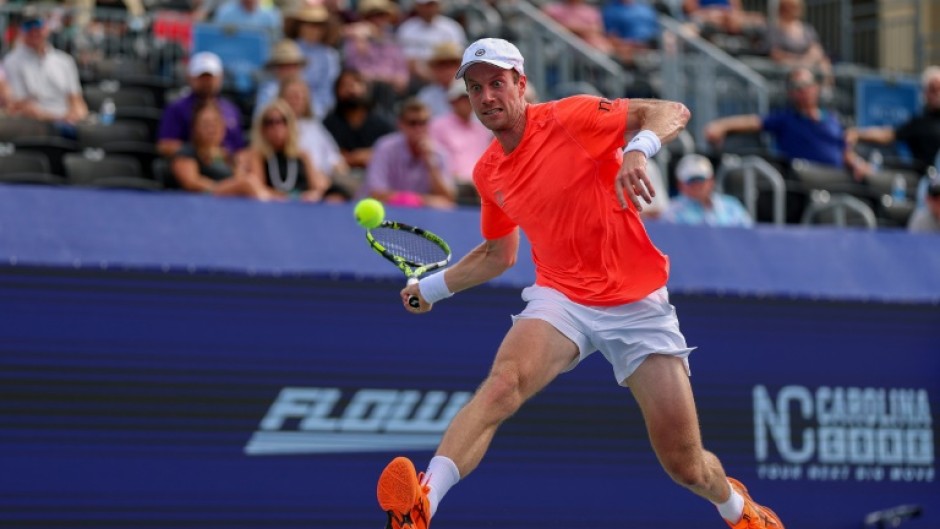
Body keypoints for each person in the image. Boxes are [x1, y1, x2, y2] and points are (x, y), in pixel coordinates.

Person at [375, 37, 784, 529]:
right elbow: (498, 255)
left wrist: (637, 149)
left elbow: (670, 110)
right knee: (503, 385)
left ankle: (739, 510)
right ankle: (423, 501)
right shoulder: (488, 173)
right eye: (476, 88)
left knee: (686, 465)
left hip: (636, 302)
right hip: (562, 297)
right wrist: (434, 288)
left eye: (498, 84)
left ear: (521, 85)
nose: (487, 97)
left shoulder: (572, 117)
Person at [703, 67, 867, 179]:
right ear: (790, 92)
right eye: (796, 87)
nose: (802, 91)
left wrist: (857, 163)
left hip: (840, 180)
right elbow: (752, 122)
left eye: (806, 85)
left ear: (816, 88)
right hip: (805, 181)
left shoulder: (832, 119)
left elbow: (845, 150)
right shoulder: (785, 119)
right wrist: (721, 125)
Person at [357, 97, 455, 209]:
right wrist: (418, 201)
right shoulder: (385, 148)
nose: (418, 128)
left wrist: (430, 163)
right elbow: (376, 193)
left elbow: (448, 200)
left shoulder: (438, 153)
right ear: (400, 124)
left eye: (423, 123)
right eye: (412, 123)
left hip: (421, 217)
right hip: (383, 213)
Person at [3, 14, 89, 138]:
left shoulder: (65, 61)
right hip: (38, 126)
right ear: (22, 32)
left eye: (38, 27)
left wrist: (78, 116)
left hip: (67, 122)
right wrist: (60, 118)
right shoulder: (12, 61)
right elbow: (21, 105)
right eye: (29, 28)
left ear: (46, 28)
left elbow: (76, 99)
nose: (34, 33)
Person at [170, 100, 272, 199]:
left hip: (232, 204)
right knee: (247, 183)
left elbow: (241, 178)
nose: (211, 129)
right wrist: (223, 188)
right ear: (195, 128)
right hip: (204, 201)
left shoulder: (228, 155)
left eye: (215, 123)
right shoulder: (187, 152)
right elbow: (191, 182)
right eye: (206, 124)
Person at [848, 66, 940, 172]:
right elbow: (889, 135)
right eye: (933, 89)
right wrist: (858, 134)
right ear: (925, 93)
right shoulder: (920, 123)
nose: (938, 94)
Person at [157, 51, 247, 158]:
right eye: (201, 77)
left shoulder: (232, 110)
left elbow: (239, 148)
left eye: (211, 77)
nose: (207, 82)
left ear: (220, 77)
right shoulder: (176, 108)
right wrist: (198, 152)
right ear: (190, 77)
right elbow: (164, 145)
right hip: (191, 163)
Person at [279, 76, 353, 201]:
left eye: (302, 96)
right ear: (281, 98)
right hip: (298, 181)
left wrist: (339, 169)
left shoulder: (314, 126)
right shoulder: (274, 124)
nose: (297, 100)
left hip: (326, 179)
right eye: (293, 95)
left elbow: (334, 157)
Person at [245, 99, 331, 201]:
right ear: (262, 128)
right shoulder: (258, 155)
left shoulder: (303, 155)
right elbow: (259, 190)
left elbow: (318, 188)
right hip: (270, 210)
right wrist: (292, 197)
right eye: (270, 122)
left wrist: (315, 194)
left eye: (282, 121)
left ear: (290, 125)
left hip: (303, 210)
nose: (276, 127)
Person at [323, 68, 396, 180]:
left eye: (357, 83)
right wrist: (355, 158)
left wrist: (371, 155)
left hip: (377, 176)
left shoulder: (382, 122)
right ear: (337, 90)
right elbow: (328, 156)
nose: (352, 89)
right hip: (342, 179)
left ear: (366, 88)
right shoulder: (329, 123)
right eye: (345, 85)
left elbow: (392, 152)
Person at [429, 80, 492, 192]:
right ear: (453, 101)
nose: (468, 102)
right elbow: (435, 160)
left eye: (471, 98)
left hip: (479, 186)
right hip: (452, 185)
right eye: (463, 99)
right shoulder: (438, 126)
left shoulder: (482, 129)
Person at [284, 3, 342, 119]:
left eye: (319, 25)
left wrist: (315, 111)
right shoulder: (288, 48)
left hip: (319, 112)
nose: (314, 29)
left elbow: (329, 90)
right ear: (299, 26)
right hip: (286, 107)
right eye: (309, 24)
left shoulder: (330, 56)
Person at [662, 153, 753, 227]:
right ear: (680, 185)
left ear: (711, 181)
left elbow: (748, 236)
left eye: (701, 179)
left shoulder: (732, 206)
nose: (697, 185)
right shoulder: (672, 211)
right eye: (691, 180)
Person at [395, 0, 467, 84]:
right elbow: (405, 59)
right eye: (425, 5)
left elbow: (458, 57)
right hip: (416, 77)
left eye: (431, 5)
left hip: (447, 75)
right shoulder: (406, 29)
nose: (428, 9)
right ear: (417, 6)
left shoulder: (451, 28)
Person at [766, 0, 832, 86]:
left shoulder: (807, 30)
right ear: (783, 9)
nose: (796, 11)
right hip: (787, 71)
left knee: (824, 64)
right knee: (802, 76)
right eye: (792, 7)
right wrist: (799, 63)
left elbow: (816, 51)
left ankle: (826, 90)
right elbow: (776, 54)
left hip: (808, 67)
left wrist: (805, 62)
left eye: (797, 7)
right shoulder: (774, 30)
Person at [255, 39, 308, 116]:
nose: (289, 70)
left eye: (293, 65)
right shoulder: (267, 91)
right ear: (275, 69)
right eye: (283, 66)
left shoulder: (305, 88)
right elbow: (261, 117)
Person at [541, 0, 614, 55]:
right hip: (562, 52)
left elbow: (597, 30)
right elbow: (548, 28)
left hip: (591, 52)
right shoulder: (552, 9)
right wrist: (581, 30)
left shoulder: (591, 11)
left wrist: (572, 28)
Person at [416, 41, 465, 118]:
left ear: (459, 66)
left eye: (451, 64)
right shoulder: (426, 95)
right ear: (433, 69)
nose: (446, 70)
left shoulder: (469, 91)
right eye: (441, 65)